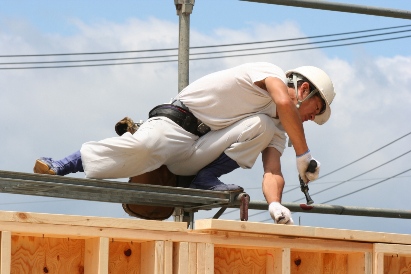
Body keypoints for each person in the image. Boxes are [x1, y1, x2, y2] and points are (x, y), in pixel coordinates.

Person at [33, 62, 336, 225]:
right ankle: (62, 165)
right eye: (316, 111)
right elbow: (282, 99)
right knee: (142, 148)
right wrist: (304, 154)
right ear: (305, 89)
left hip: (198, 152)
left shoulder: (280, 128)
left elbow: (272, 170)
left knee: (263, 125)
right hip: (175, 126)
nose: (312, 119)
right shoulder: (269, 74)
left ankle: (205, 180)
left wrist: (274, 205)